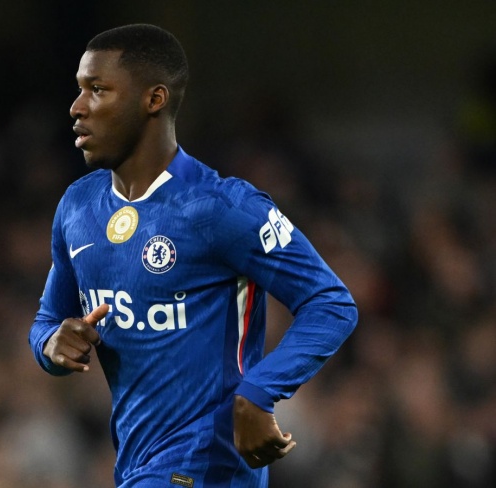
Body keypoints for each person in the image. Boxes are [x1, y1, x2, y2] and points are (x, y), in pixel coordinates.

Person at [28, 24, 358, 488]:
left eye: (97, 90)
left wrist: (259, 391)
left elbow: (330, 302)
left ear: (154, 99)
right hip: (138, 467)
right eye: (80, 89)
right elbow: (47, 320)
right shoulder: (78, 208)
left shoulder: (221, 207)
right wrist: (51, 343)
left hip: (206, 468)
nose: (77, 107)